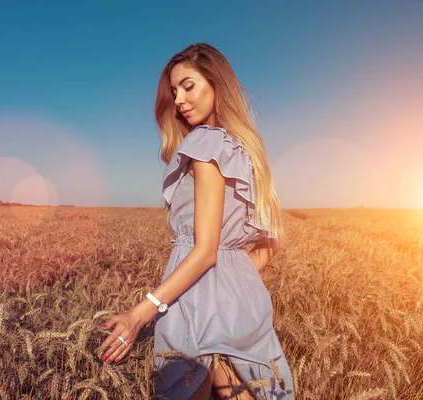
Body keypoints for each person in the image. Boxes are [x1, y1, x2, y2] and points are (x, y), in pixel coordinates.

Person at [98, 43, 294, 399]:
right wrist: (230, 286)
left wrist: (138, 315)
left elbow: (204, 253)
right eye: (174, 92)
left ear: (216, 83)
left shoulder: (205, 144)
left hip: (196, 306)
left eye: (189, 86)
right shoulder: (243, 150)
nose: (179, 100)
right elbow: (273, 242)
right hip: (243, 305)